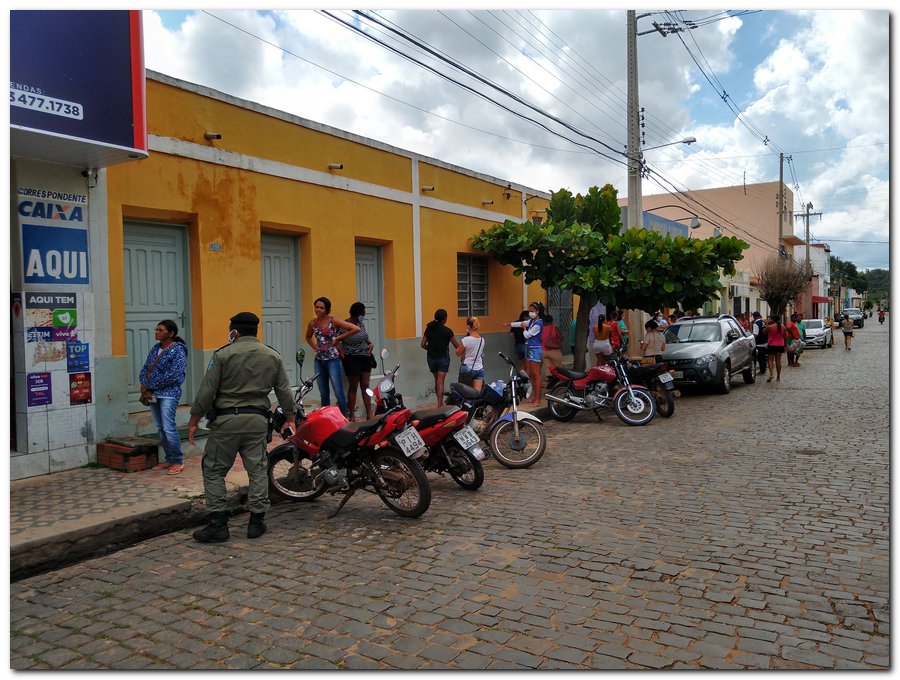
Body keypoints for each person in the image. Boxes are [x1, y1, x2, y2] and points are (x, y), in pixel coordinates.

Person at [188, 312, 295, 542]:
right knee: (257, 470)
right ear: (255, 331)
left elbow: (206, 391)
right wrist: (290, 417)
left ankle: (218, 524)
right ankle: (256, 523)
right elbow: (284, 391)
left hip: (226, 422)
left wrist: (194, 420)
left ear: (234, 332)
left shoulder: (223, 355)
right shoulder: (272, 356)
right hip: (257, 422)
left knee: (214, 470)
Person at [139, 320, 188, 475]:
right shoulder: (156, 348)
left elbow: (173, 375)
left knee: (168, 427)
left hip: (169, 394)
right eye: (156, 329)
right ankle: (169, 458)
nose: (156, 332)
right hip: (153, 393)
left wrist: (151, 384)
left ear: (170, 333)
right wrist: (143, 383)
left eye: (160, 330)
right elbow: (146, 367)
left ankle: (178, 461)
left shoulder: (178, 350)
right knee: (160, 428)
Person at [305, 297, 359, 417]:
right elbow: (308, 337)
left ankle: (344, 418)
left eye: (321, 308)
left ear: (327, 309)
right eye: (316, 307)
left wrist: (339, 338)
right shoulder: (312, 323)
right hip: (319, 361)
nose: (318, 310)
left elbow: (355, 328)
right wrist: (315, 347)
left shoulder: (333, 321)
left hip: (333, 360)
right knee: (323, 393)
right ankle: (327, 418)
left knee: (338, 391)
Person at [340, 302, 374, 421]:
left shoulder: (361, 324)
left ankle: (369, 414)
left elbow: (364, 337)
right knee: (353, 386)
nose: (364, 315)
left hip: (365, 358)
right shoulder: (345, 325)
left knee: (365, 386)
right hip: (352, 358)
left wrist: (370, 343)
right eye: (363, 313)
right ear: (358, 313)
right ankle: (352, 415)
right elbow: (340, 340)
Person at [505, 301, 545, 404]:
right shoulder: (532, 321)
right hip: (530, 348)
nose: (530, 313)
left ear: (538, 311)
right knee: (531, 374)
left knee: (536, 374)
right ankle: (535, 397)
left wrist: (524, 328)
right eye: (530, 311)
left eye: (532, 311)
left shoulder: (538, 324)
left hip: (535, 349)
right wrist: (509, 324)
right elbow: (520, 323)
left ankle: (538, 399)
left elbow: (527, 335)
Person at [421, 308, 461, 406]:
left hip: (431, 358)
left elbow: (422, 344)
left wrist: (430, 349)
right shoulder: (447, 331)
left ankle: (439, 402)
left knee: (437, 380)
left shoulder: (429, 328)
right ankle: (439, 403)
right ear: (444, 319)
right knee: (440, 381)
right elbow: (457, 346)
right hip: (443, 358)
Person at [456, 316, 486, 391]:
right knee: (476, 393)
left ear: (468, 326)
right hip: (479, 368)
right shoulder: (482, 339)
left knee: (464, 392)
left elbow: (458, 353)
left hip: (467, 367)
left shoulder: (466, 340)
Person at [541, 313, 564, 380]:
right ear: (552, 321)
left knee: (548, 368)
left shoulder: (541, 329)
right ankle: (559, 380)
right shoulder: (554, 328)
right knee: (558, 367)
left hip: (543, 351)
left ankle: (549, 379)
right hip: (554, 351)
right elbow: (561, 337)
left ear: (544, 321)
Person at [764, 313, 787, 382]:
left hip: (771, 345)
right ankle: (778, 376)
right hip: (780, 345)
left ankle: (771, 374)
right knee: (778, 361)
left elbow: (764, 332)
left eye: (770, 319)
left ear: (773, 319)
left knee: (770, 360)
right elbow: (785, 337)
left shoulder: (770, 327)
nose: (769, 319)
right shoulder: (783, 327)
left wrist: (767, 324)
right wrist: (785, 346)